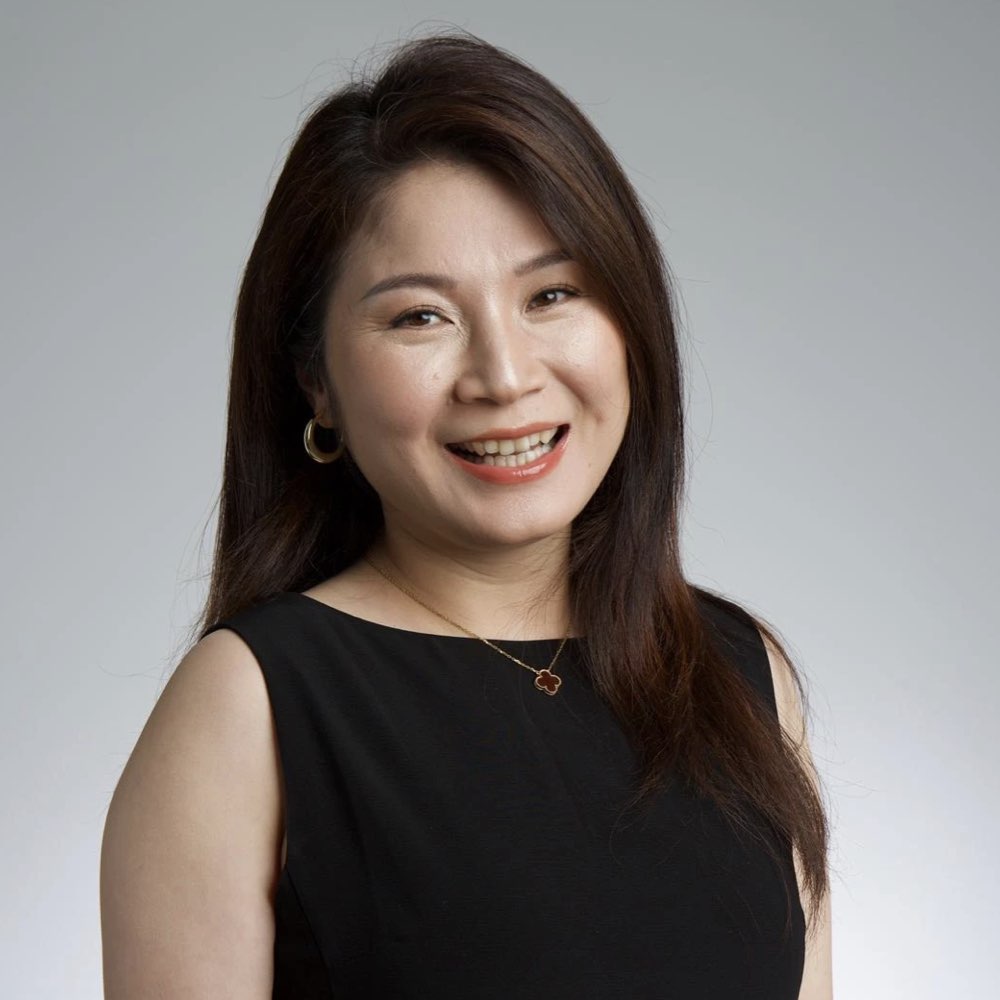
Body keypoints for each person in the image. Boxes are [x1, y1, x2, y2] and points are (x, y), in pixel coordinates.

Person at [100, 30, 832, 999]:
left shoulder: (741, 675)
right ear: (316, 381)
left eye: (552, 294)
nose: (504, 375)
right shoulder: (248, 704)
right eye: (421, 316)